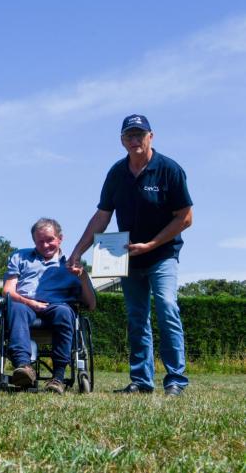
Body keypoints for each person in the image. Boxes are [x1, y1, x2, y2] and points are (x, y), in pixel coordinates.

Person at [67, 114, 193, 396]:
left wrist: (151, 244)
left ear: (151, 136)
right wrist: (77, 251)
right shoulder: (116, 173)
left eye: (140, 134)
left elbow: (185, 218)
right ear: (122, 140)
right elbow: (102, 216)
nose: (134, 140)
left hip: (163, 255)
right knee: (137, 317)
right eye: (129, 136)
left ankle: (176, 380)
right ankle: (141, 381)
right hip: (128, 257)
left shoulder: (169, 170)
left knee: (167, 306)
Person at [3, 218, 96, 394]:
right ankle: (24, 367)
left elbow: (91, 304)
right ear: (34, 241)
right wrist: (30, 302)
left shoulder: (71, 265)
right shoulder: (19, 257)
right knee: (15, 306)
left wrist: (82, 276)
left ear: (60, 238)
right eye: (40, 241)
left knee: (64, 312)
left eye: (50, 240)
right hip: (25, 305)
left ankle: (58, 377)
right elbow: (8, 291)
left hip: (56, 307)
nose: (45, 245)